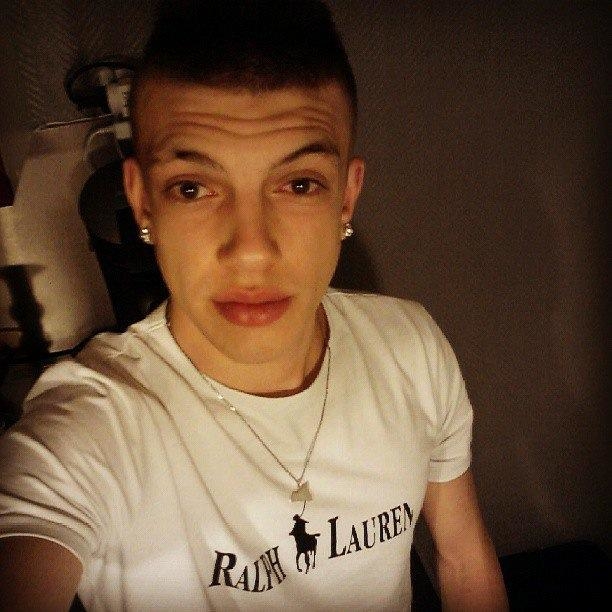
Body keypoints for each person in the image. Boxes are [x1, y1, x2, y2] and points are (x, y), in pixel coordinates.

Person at [0, 1, 508, 610]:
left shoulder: (411, 347)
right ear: (142, 201)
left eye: (299, 184)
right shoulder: (93, 427)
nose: (251, 253)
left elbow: (463, 556)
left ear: (346, 198)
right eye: (193, 188)